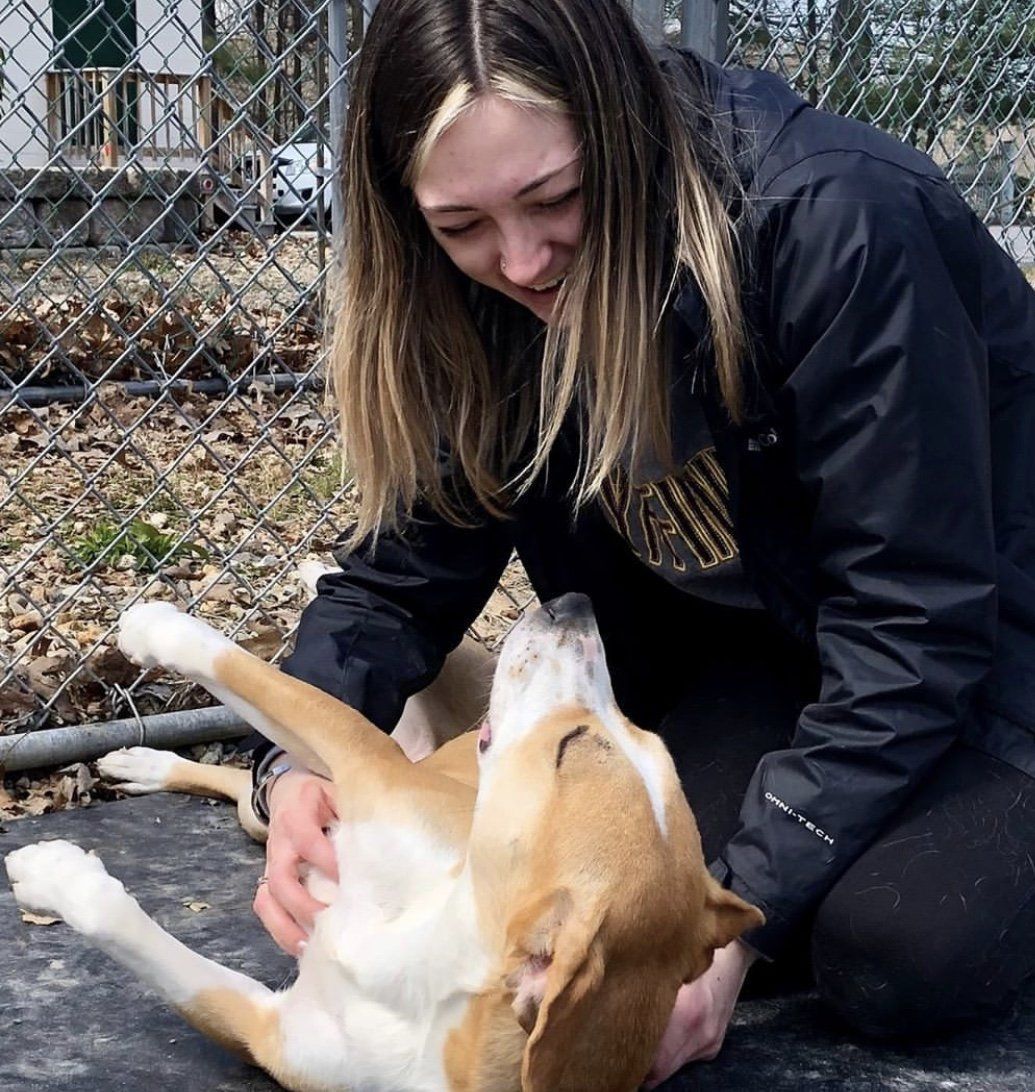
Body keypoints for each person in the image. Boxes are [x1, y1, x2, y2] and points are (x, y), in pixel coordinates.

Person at [249, 0, 1035, 1082]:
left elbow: (916, 626)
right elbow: (397, 583)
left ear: (623, 129)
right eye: (460, 225)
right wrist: (295, 767)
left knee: (892, 952)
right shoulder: (476, 302)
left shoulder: (834, 223)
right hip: (779, 661)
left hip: (994, 650)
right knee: (636, 905)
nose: (519, 261)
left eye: (555, 197)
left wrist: (733, 939)